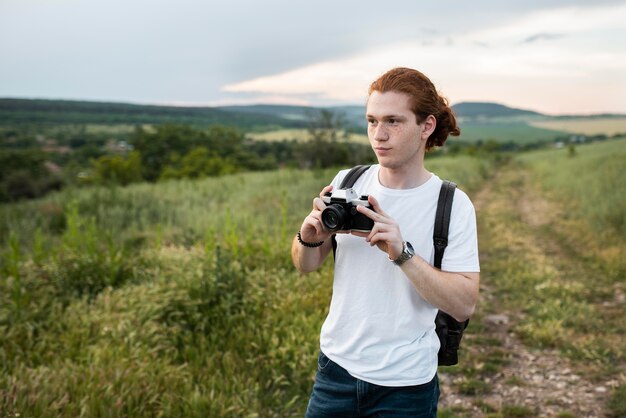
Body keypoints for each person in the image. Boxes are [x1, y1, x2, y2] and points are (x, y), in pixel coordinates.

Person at [292, 67, 480, 417]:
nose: (379, 134)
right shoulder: (348, 182)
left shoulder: (451, 204)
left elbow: (464, 305)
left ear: (427, 127)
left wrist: (403, 253)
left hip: (406, 385)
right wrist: (310, 238)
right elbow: (305, 265)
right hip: (335, 370)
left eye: (393, 121)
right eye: (371, 121)